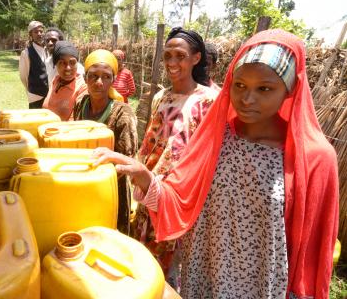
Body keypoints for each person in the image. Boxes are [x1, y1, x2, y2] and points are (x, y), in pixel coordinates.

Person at [93, 29, 339, 298]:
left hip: (261, 286)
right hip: (202, 276)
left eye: (264, 88)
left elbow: (314, 251)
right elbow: (180, 197)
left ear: (290, 88)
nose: (247, 99)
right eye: (240, 85)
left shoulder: (313, 158)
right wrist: (144, 175)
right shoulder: (216, 136)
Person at [133, 27, 219, 288]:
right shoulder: (161, 96)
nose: (172, 62)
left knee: (171, 270)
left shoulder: (209, 101)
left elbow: (209, 158)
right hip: (149, 192)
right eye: (167, 55)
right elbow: (151, 142)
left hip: (180, 201)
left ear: (196, 58)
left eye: (180, 56)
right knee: (144, 264)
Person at [73, 49, 138, 234]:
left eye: (105, 77)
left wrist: (100, 178)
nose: (99, 82)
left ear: (113, 80)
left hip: (111, 188)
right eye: (93, 76)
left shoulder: (122, 113)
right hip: (82, 182)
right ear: (85, 78)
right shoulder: (81, 103)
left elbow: (129, 158)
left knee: (110, 234)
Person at [42, 41, 87, 121]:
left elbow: (75, 120)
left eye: (72, 62)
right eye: (62, 63)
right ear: (56, 65)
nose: (68, 68)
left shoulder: (82, 88)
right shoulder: (56, 80)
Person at [19, 20, 49, 108]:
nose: (39, 34)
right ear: (31, 35)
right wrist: (33, 91)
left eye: (41, 31)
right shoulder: (26, 53)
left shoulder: (48, 50)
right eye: (36, 32)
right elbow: (23, 77)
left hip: (50, 96)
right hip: (36, 97)